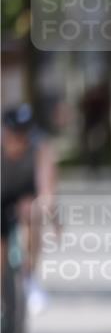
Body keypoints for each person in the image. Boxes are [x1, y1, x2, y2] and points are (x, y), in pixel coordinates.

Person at [1, 105, 58, 318]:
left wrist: (51, 214)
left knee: (32, 214)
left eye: (25, 133)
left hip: (27, 195)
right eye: (16, 133)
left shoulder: (39, 147)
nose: (20, 139)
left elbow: (47, 187)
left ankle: (29, 278)